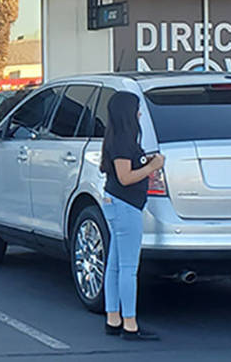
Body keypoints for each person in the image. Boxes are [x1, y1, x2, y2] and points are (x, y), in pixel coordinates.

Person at [100, 91, 165, 341]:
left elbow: (121, 169)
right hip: (126, 206)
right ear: (128, 112)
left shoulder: (117, 138)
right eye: (137, 108)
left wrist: (143, 161)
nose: (139, 113)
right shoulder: (124, 141)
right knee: (128, 267)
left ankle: (113, 317)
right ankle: (130, 324)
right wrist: (152, 167)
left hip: (117, 203)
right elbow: (126, 177)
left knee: (115, 265)